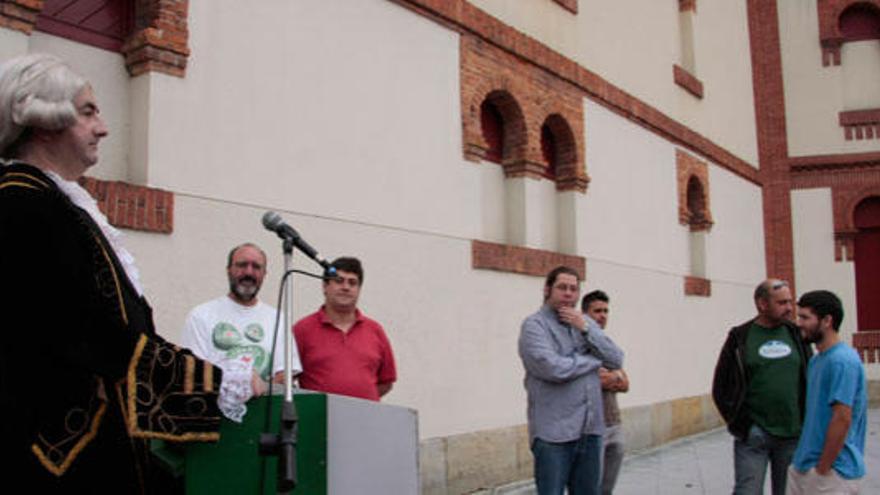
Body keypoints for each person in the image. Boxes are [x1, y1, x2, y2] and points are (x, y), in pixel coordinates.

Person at [0, 53, 253, 493]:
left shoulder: (57, 204)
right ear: (44, 120)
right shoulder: (23, 205)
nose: (104, 127)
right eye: (88, 112)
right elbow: (90, 336)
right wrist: (220, 384)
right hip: (53, 462)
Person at [519, 266, 624, 495]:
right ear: (547, 289)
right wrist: (592, 362)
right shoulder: (534, 326)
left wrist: (586, 328)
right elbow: (553, 368)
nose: (568, 294)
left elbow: (616, 359)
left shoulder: (584, 324)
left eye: (573, 289)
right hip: (554, 434)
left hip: (591, 430)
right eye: (562, 287)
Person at [712, 279, 812, 495]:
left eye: (790, 302)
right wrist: (742, 423)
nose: (789, 308)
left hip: (792, 435)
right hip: (754, 436)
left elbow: (809, 377)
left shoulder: (797, 335)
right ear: (762, 304)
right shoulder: (740, 337)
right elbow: (721, 386)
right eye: (782, 302)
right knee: (747, 491)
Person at [181, 243, 301, 392]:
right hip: (216, 411)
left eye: (256, 267)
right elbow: (194, 373)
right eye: (242, 265)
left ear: (264, 274)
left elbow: (285, 376)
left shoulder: (278, 319)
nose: (249, 272)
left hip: (265, 410)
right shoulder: (201, 316)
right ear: (228, 270)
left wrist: (259, 388)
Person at [786, 290, 867, 495]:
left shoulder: (842, 361)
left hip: (833, 473)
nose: (799, 323)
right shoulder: (817, 360)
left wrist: (823, 469)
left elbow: (842, 418)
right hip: (803, 467)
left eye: (805, 317)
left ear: (827, 320)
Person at [293, 256, 396, 401]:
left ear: (359, 289)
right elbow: (286, 379)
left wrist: (356, 402)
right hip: (319, 419)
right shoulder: (302, 330)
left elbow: (386, 382)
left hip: (366, 419)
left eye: (352, 283)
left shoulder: (375, 330)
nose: (346, 287)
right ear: (325, 286)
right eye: (339, 281)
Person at [582, 290, 629, 495]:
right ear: (584, 314)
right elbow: (593, 380)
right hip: (592, 428)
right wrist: (612, 377)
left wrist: (614, 378)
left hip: (615, 424)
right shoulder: (581, 345)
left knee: (607, 489)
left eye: (606, 311)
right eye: (597, 311)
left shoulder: (607, 347)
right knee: (590, 487)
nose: (603, 315)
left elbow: (625, 383)